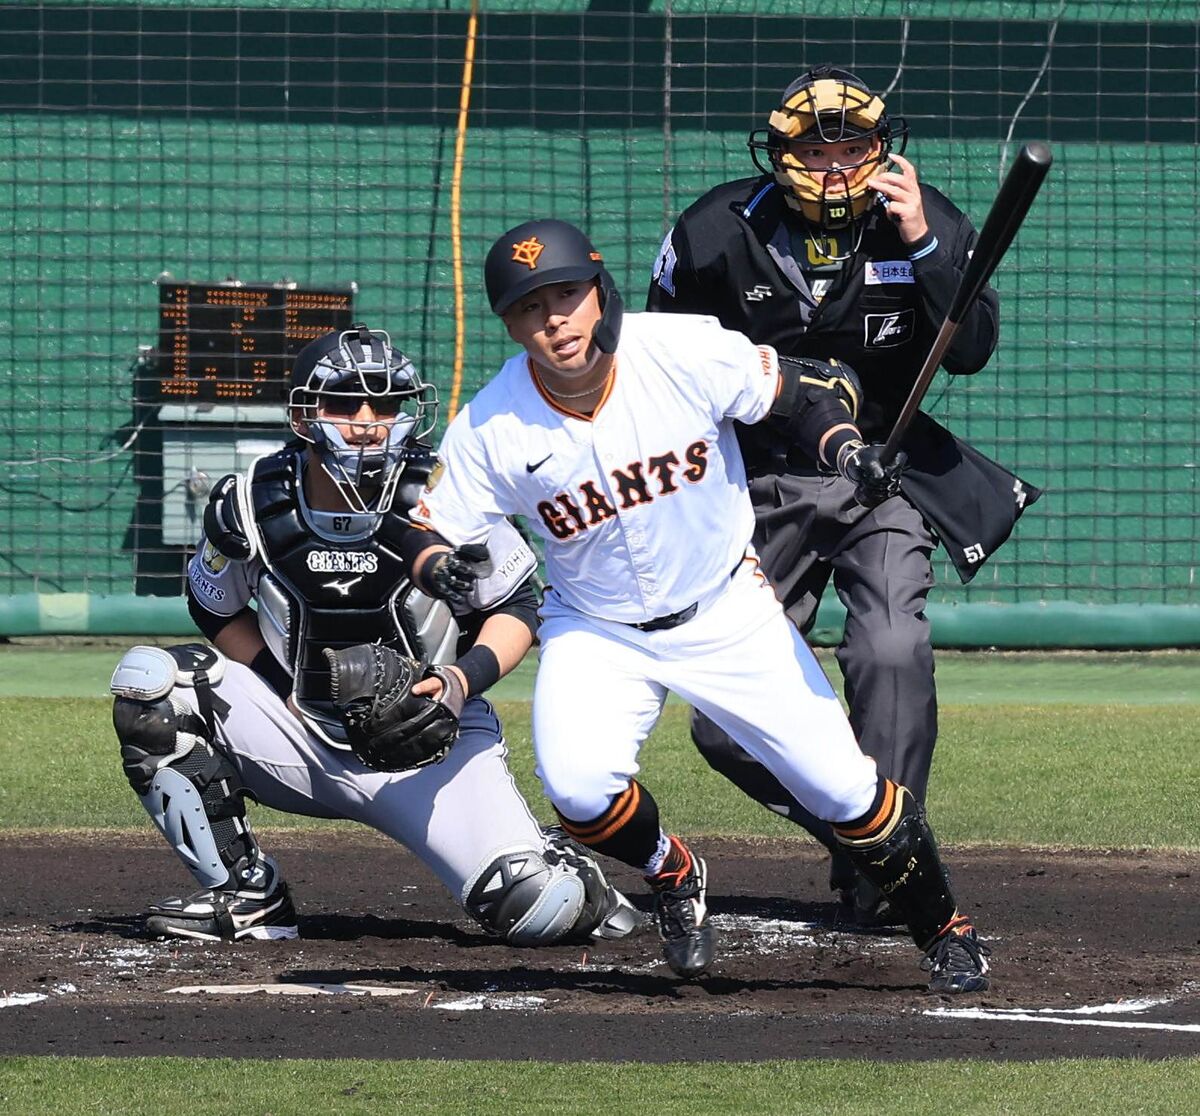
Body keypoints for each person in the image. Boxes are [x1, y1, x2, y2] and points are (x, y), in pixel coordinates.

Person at [408, 217, 991, 993]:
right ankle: (671, 870)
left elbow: (802, 393)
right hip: (598, 629)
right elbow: (424, 528)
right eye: (528, 308)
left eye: (567, 294)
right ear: (511, 326)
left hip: (725, 609)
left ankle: (944, 927)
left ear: (600, 290)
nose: (553, 318)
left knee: (846, 791)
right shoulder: (490, 426)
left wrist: (847, 447)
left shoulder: (679, 349)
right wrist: (438, 563)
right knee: (580, 792)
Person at [647, 64, 1039, 923]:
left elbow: (970, 345)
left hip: (884, 474)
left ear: (879, 149)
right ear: (780, 152)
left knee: (892, 649)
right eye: (814, 147)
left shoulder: (921, 218)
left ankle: (885, 875)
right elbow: (664, 369)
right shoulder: (714, 231)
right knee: (720, 725)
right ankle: (876, 838)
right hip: (755, 484)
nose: (834, 165)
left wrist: (928, 245)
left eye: (852, 146)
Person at [109, 323, 637, 948]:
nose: (367, 421)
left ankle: (554, 860)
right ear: (307, 413)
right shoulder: (252, 497)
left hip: (431, 746)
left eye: (384, 403)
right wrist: (277, 687)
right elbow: (214, 606)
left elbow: (518, 606)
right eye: (345, 402)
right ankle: (245, 893)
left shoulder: (448, 491)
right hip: (302, 732)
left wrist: (461, 683)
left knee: (539, 912)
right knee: (152, 685)